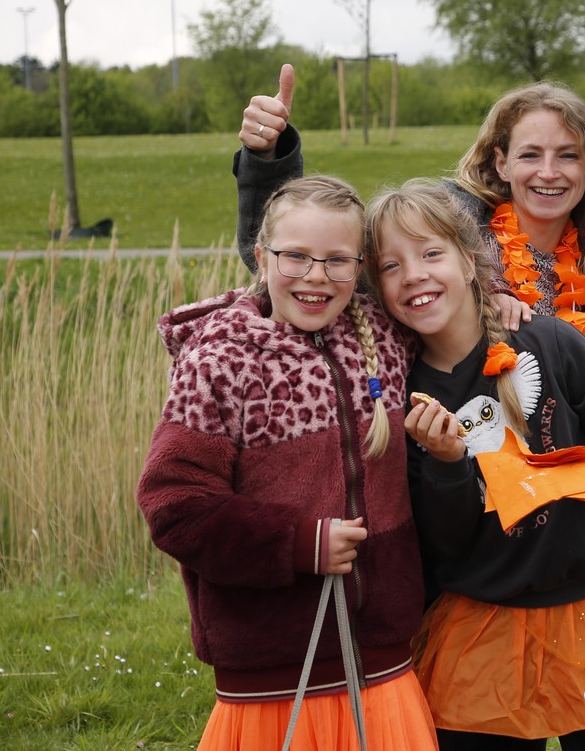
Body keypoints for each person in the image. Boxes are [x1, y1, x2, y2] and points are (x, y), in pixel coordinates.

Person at [137, 175, 437, 750]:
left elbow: (449, 292)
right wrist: (299, 545)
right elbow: (174, 505)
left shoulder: (387, 336)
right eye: (295, 256)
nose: (315, 276)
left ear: (360, 266)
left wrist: (500, 298)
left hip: (383, 663)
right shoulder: (219, 364)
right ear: (261, 256)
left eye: (336, 260)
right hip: (271, 671)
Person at [367, 178, 585, 751]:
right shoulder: (401, 395)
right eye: (390, 266)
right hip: (482, 626)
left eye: (431, 254)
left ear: (470, 260)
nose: (414, 276)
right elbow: (446, 542)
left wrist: (562, 479)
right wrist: (448, 464)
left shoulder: (549, 341)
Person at [234, 66, 585, 395]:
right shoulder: (445, 242)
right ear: (502, 163)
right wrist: (268, 156)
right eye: (531, 154)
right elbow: (309, 254)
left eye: (568, 155)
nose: (548, 172)